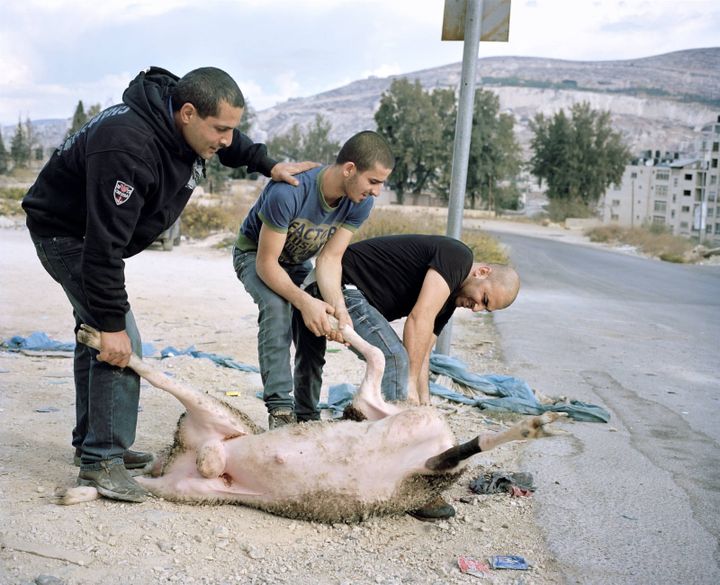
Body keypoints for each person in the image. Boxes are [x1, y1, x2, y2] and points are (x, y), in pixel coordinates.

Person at [22, 66, 317, 503]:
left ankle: (93, 444)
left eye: (230, 128)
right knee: (119, 342)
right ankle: (102, 461)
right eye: (218, 128)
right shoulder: (127, 147)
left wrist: (267, 163)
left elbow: (230, 141)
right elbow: (103, 249)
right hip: (68, 236)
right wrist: (112, 323)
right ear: (187, 113)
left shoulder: (182, 116)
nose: (224, 139)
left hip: (92, 236)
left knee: (98, 335)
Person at [296, 233, 520, 520]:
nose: (477, 309)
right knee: (393, 359)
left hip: (353, 295)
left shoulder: (449, 299)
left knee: (402, 369)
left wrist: (424, 404)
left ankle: (358, 447)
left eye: (485, 309)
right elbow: (417, 321)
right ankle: (402, 479)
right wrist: (408, 396)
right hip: (337, 286)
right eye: (484, 299)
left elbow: (425, 349)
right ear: (482, 272)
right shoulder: (458, 257)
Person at [233, 130, 394, 429]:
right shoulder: (289, 192)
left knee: (317, 324)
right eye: (373, 181)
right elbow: (266, 264)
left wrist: (338, 308)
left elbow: (330, 259)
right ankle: (281, 411)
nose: (377, 192)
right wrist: (303, 301)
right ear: (349, 169)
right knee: (278, 307)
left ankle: (307, 415)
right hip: (254, 255)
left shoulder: (360, 203)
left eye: (382, 183)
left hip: (294, 262)